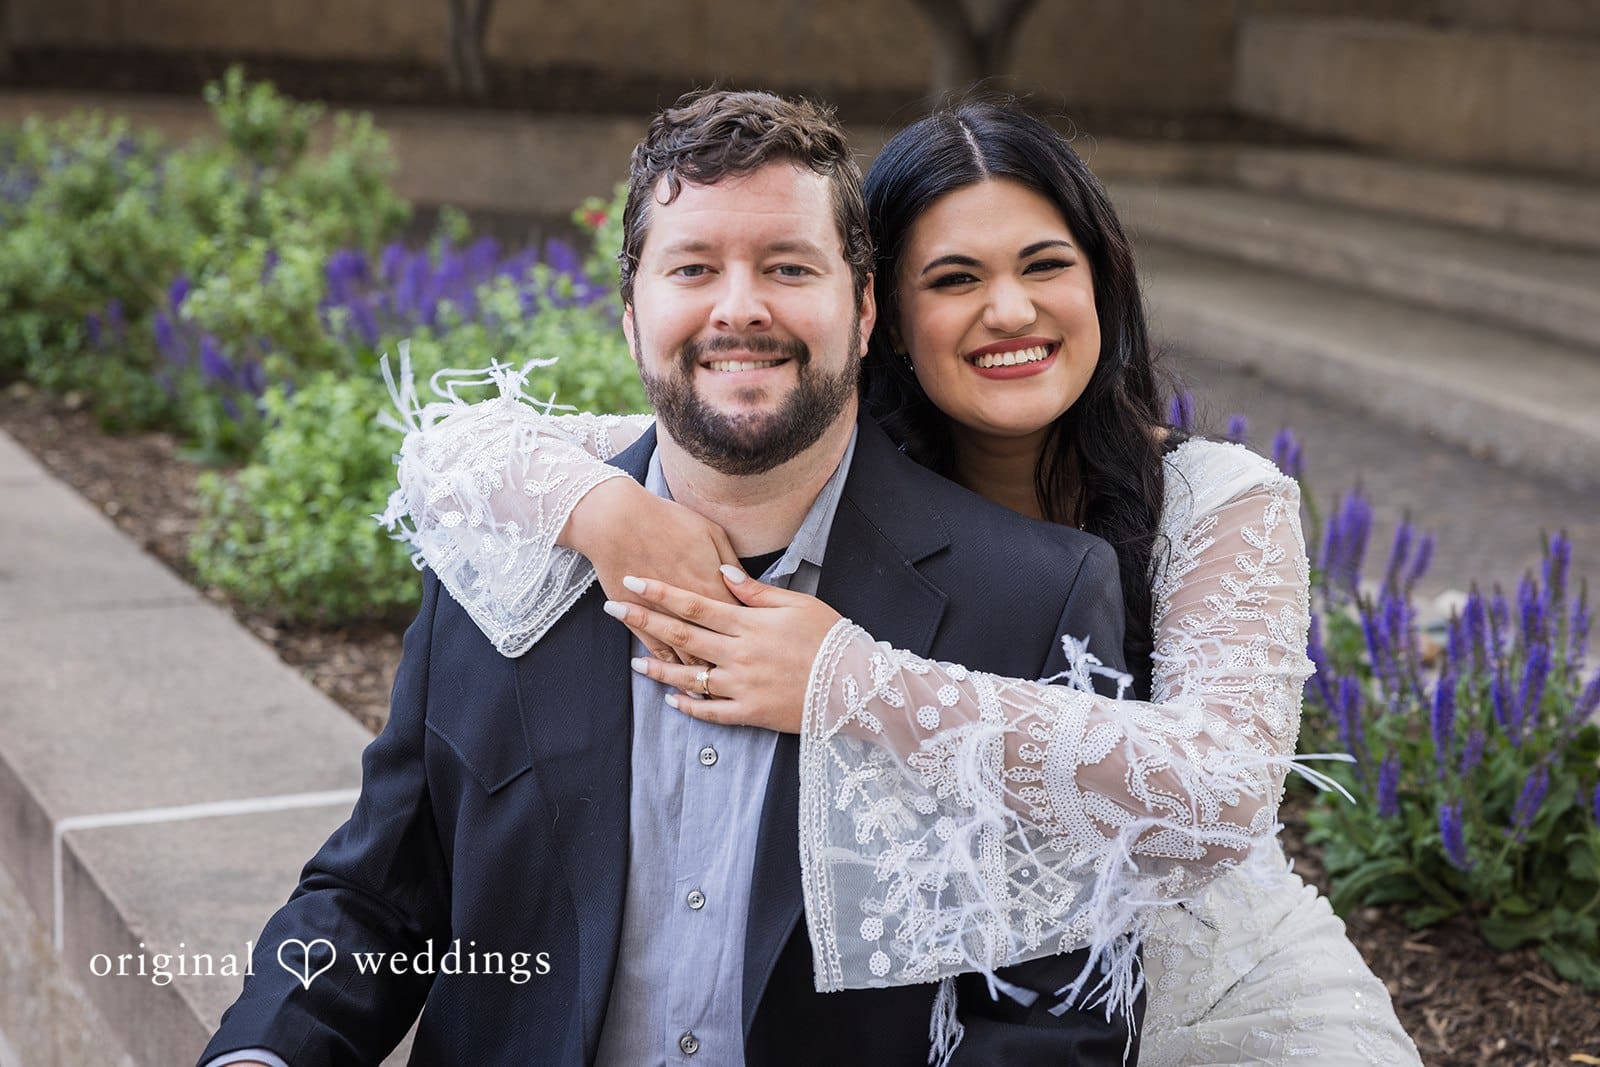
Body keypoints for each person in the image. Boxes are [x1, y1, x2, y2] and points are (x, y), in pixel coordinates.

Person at [383, 100, 1424, 1066]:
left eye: (1044, 265)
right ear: (882, 312)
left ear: (1101, 279)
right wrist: (602, 511)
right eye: (955, 278)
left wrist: (851, 680)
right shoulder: (839, 460)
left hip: (1225, 993)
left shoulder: (1214, 492)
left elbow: (1222, 789)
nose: (1007, 309)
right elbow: (456, 449)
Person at [200, 90, 1144, 1067]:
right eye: (693, 268)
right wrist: (264, 1053)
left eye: (787, 266)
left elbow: (1050, 1016)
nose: (738, 306)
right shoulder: (506, 555)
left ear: (863, 309)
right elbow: (374, 897)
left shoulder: (1035, 601)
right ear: (630, 314)